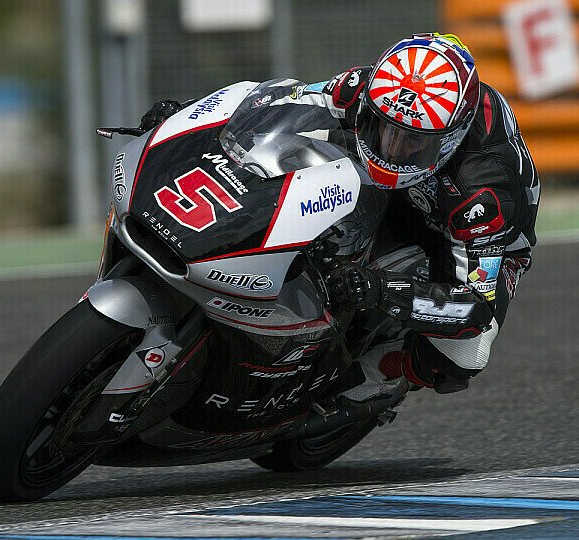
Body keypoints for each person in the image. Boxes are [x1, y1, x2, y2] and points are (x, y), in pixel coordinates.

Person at [138, 33, 539, 401]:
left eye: (412, 143)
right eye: (383, 129)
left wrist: (384, 291)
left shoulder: (482, 193)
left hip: (466, 235)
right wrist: (192, 120)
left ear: (450, 139)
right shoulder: (372, 89)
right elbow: (275, 103)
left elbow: (471, 307)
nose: (392, 149)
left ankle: (375, 378)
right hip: (408, 190)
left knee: (462, 356)